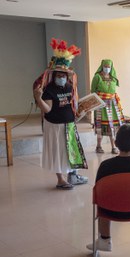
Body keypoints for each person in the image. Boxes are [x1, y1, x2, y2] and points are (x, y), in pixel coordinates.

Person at [33, 38, 88, 190]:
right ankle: (60, 179)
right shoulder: (49, 89)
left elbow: (72, 105)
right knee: (58, 152)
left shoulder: (70, 87)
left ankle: (72, 176)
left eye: (65, 75)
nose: (62, 77)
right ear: (54, 74)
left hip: (69, 124)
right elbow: (48, 109)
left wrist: (80, 112)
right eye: (60, 75)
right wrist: (38, 98)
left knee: (71, 150)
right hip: (55, 126)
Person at [91, 59, 125, 154]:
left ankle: (113, 147)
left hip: (112, 105)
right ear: (102, 66)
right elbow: (93, 91)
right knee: (100, 126)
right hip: (101, 105)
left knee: (112, 126)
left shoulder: (113, 78)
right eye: (105, 66)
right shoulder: (97, 77)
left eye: (109, 67)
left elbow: (113, 92)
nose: (107, 68)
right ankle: (98, 146)